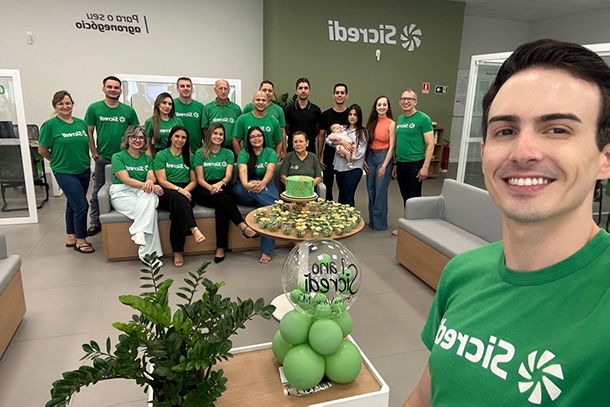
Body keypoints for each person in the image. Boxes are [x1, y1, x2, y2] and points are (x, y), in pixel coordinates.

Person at [405, 39, 610, 406]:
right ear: (484, 153)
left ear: (605, 158)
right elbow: (423, 398)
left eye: (557, 129)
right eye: (505, 131)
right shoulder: (461, 273)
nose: (523, 152)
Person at [194, 123, 260, 263]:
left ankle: (220, 247)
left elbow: (229, 176)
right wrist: (211, 187)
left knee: (221, 205)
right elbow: (199, 178)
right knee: (222, 200)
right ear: (209, 135)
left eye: (221, 134)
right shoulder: (200, 153)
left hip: (223, 185)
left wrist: (220, 184)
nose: (218, 137)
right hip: (204, 188)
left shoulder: (228, 153)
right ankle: (242, 226)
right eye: (215, 133)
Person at [38, 90, 94, 254]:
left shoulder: (80, 123)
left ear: (72, 104)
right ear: (55, 106)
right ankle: (81, 239)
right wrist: (56, 161)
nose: (65, 106)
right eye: (60, 103)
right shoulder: (50, 125)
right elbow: (42, 149)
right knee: (81, 205)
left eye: (68, 103)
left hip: (83, 168)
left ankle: (71, 236)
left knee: (72, 203)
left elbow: (86, 142)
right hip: (64, 171)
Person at [85, 76, 139, 237]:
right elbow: (88, 132)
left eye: (116, 87)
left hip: (125, 158)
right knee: (98, 190)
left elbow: (136, 132)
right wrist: (95, 154)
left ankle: (126, 217)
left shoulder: (128, 111)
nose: (113, 90)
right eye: (110, 87)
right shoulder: (94, 108)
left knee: (126, 187)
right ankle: (95, 222)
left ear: (120, 91)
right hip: (104, 158)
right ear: (104, 89)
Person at [153, 125, 206, 268]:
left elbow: (194, 180)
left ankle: (177, 251)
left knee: (178, 211)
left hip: (186, 189)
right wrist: (179, 190)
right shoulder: (161, 155)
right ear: (171, 137)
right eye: (177, 136)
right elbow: (161, 180)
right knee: (178, 199)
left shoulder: (190, 156)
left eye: (183, 137)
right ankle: (194, 228)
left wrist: (185, 190)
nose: (180, 140)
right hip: (167, 191)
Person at [109, 125, 163, 264]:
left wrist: (150, 182)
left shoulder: (148, 159)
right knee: (150, 213)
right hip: (121, 192)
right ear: (127, 139)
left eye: (141, 137)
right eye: (133, 136)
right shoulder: (118, 157)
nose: (137, 140)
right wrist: (148, 185)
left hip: (141, 191)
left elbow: (151, 176)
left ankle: (139, 233)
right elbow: (125, 180)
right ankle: (149, 256)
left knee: (150, 198)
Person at [233, 126, 280, 264]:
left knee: (267, 208)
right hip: (244, 187)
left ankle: (266, 251)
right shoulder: (244, 153)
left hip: (265, 184)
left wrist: (263, 183)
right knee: (271, 206)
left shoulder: (270, 152)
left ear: (263, 137)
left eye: (259, 135)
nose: (256, 139)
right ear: (248, 139)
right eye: (252, 136)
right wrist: (247, 185)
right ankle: (276, 207)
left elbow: (270, 170)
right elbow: (242, 171)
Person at [392, 89, 434, 207]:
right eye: (403, 99)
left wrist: (425, 167)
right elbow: (399, 142)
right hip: (401, 163)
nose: (406, 102)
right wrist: (395, 164)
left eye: (409, 99)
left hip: (415, 163)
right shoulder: (400, 119)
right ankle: (408, 217)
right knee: (404, 195)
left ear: (415, 101)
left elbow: (430, 144)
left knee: (414, 198)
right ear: (400, 102)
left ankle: (415, 218)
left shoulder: (423, 118)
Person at [365, 96, 396, 231]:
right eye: (379, 105)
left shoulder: (391, 123)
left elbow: (392, 147)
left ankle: (380, 224)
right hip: (370, 157)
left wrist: (384, 166)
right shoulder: (371, 122)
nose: (381, 107)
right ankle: (372, 221)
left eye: (384, 105)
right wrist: (364, 160)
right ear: (375, 107)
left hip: (383, 157)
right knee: (371, 189)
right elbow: (366, 143)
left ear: (388, 107)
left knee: (380, 191)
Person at [326, 104, 367, 207]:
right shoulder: (342, 128)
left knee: (348, 195)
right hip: (340, 167)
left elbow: (361, 151)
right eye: (350, 114)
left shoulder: (362, 131)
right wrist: (341, 141)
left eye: (355, 115)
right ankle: (341, 216)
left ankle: (351, 217)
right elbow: (328, 140)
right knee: (341, 195)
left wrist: (347, 155)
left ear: (359, 117)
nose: (352, 117)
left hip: (354, 167)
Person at [318, 83, 349, 201]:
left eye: (342, 93)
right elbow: (321, 136)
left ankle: (342, 208)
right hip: (329, 155)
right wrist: (319, 156)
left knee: (343, 186)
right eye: (337, 93)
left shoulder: (350, 114)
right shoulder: (326, 115)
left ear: (346, 95)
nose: (339, 95)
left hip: (344, 156)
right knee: (328, 185)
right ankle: (328, 207)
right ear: (333, 95)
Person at [243, 80, 287, 158]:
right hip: (250, 152)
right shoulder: (248, 107)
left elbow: (282, 132)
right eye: (264, 90)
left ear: (273, 92)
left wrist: (283, 152)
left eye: (270, 91)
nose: (267, 93)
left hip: (270, 150)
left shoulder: (278, 110)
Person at [233, 91, 282, 157]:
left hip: (267, 160)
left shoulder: (274, 121)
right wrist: (241, 157)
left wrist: (275, 158)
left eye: (263, 100)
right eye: (258, 100)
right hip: (249, 160)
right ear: (253, 102)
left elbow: (278, 142)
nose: (261, 102)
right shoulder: (242, 119)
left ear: (267, 103)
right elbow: (235, 140)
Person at [285, 77, 321, 154]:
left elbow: (317, 130)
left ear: (309, 91)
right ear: (296, 91)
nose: (303, 91)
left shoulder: (316, 110)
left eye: (306, 88)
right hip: (292, 151)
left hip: (310, 150)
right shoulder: (289, 110)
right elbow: (287, 130)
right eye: (300, 88)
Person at [202, 79, 242, 150]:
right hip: (213, 147)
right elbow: (204, 129)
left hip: (231, 147)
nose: (223, 91)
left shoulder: (236, 109)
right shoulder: (208, 108)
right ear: (215, 90)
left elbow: (240, 130)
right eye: (220, 88)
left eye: (225, 89)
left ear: (229, 91)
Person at [173, 77, 206, 152]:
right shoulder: (171, 105)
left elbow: (204, 131)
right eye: (182, 86)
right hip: (176, 151)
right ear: (177, 89)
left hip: (196, 151)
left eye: (188, 86)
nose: (185, 88)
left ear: (192, 89)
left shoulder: (200, 107)